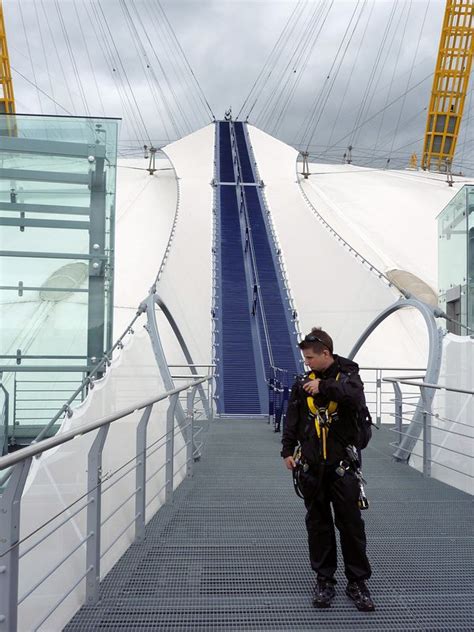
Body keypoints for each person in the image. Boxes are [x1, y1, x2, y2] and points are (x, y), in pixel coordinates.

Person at [281, 327, 375, 611]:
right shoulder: (302, 384)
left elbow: (354, 396)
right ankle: (324, 580)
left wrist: (323, 387)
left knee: (351, 525)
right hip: (312, 467)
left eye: (310, 357)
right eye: (305, 358)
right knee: (318, 525)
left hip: (342, 468)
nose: (306, 362)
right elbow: (293, 418)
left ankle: (357, 582)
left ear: (326, 354)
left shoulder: (348, 376)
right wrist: (287, 450)